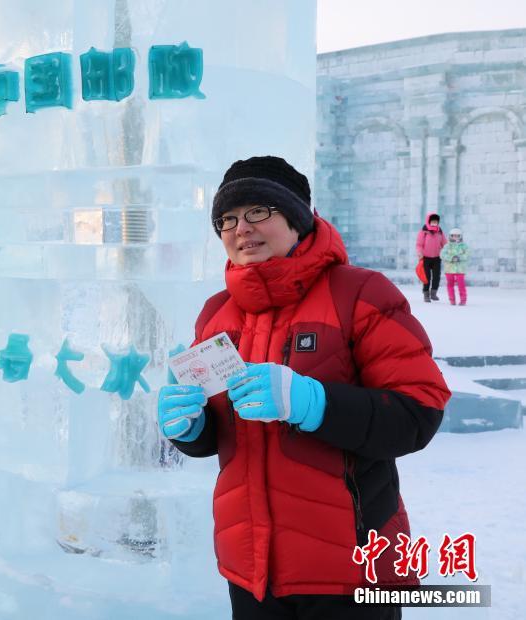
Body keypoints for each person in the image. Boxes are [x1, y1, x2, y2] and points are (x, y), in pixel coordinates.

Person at [157, 156, 451, 620]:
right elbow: (219, 435)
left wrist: (315, 404)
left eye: (258, 212)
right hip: (251, 571)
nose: (240, 229)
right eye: (226, 219)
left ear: (296, 219)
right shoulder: (216, 312)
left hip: (352, 572)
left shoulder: (360, 294)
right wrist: (189, 428)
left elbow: (419, 413)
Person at [415, 213, 447, 302]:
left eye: (436, 222)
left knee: (437, 276)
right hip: (425, 258)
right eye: (432, 221)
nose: (434, 223)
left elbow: (445, 243)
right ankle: (426, 294)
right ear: (429, 221)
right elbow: (419, 244)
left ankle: (433, 293)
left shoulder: (440, 231)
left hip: (437, 258)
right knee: (427, 277)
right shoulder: (423, 232)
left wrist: (448, 251)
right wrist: (419, 253)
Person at [440, 227, 469, 306]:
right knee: (450, 284)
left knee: (461, 284)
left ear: (460, 236)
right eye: (453, 236)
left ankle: (463, 300)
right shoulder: (447, 246)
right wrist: (451, 258)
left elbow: (467, 254)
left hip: (460, 269)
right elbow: (442, 254)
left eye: (457, 236)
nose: (455, 237)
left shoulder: (464, 246)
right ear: (450, 236)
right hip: (449, 269)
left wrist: (460, 257)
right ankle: (452, 299)